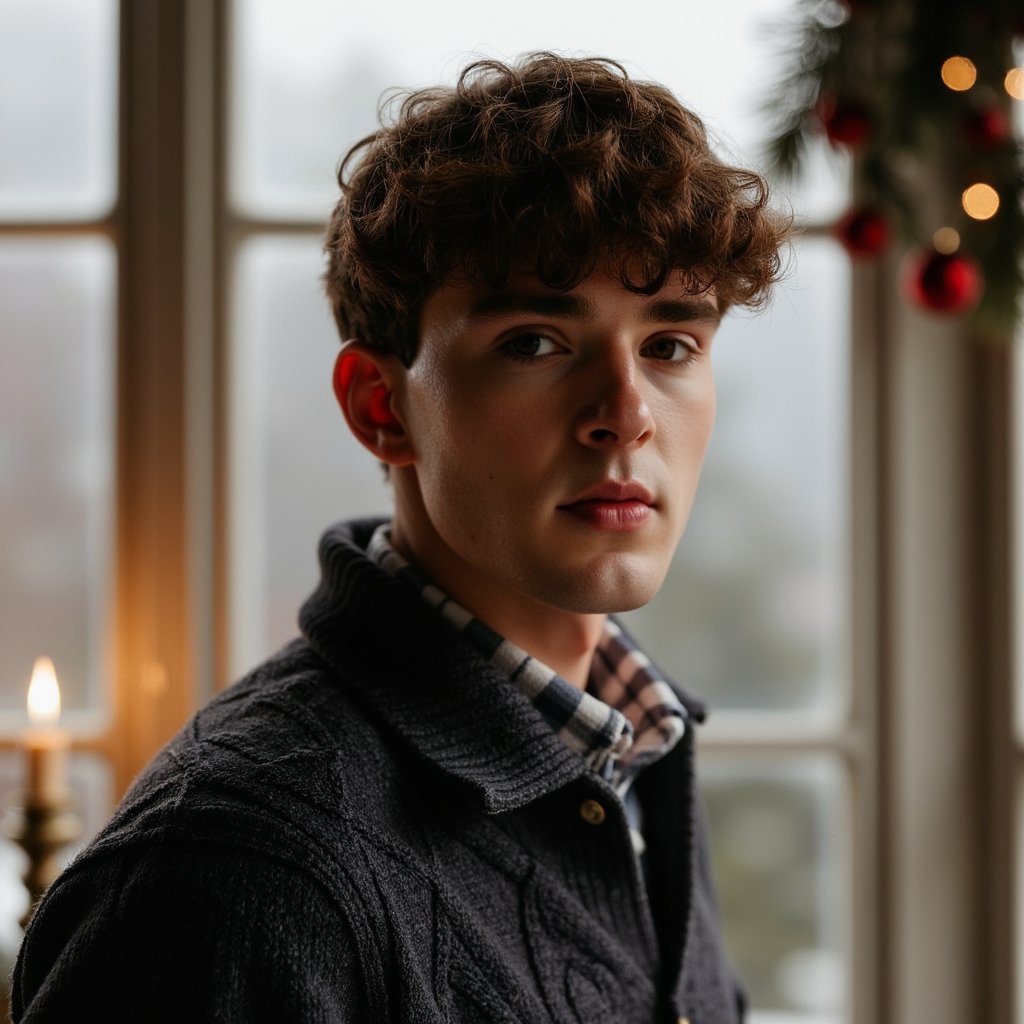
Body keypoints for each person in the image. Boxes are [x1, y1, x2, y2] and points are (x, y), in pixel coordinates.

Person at [12, 53, 788, 1023]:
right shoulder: (231, 869)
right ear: (381, 406)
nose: (626, 414)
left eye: (670, 345)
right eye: (535, 343)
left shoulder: (638, 751)